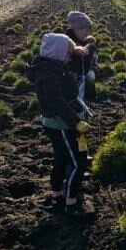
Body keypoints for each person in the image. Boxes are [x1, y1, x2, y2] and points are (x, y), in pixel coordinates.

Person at [27, 33, 92, 214]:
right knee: (79, 164)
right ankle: (71, 204)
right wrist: (75, 123)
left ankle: (57, 196)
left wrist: (83, 52)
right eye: (68, 53)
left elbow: (81, 69)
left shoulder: (52, 66)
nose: (69, 57)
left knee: (61, 159)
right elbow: (55, 102)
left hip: (62, 123)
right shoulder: (48, 74)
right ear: (58, 52)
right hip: (62, 124)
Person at [66, 10, 97, 102]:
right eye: (86, 29)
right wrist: (90, 50)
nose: (88, 32)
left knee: (91, 74)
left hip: (77, 77)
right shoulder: (66, 43)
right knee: (90, 75)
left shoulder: (83, 41)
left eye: (89, 28)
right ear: (77, 28)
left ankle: (89, 99)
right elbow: (83, 69)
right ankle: (84, 100)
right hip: (68, 79)